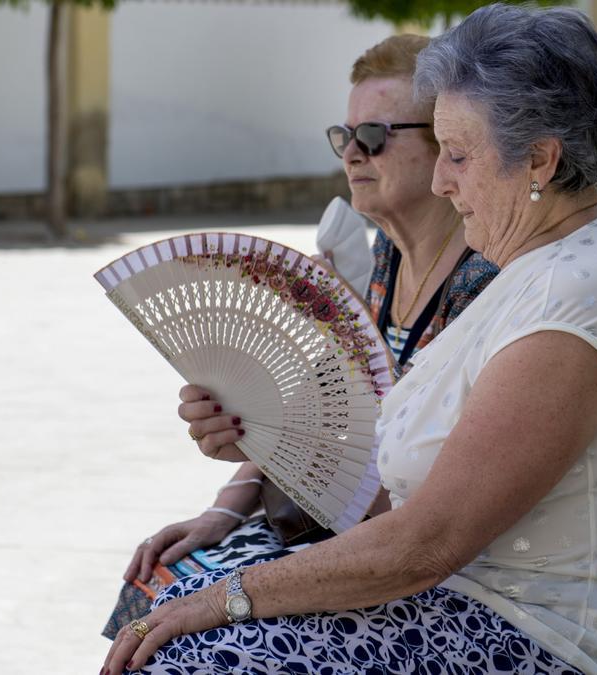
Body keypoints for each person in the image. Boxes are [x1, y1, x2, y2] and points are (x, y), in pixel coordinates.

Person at [104, 5, 597, 673]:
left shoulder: (576, 297)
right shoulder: (547, 264)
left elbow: (428, 539)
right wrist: (253, 459)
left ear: (539, 160)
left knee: (188, 650)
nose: (442, 181)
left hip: (554, 641)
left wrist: (234, 595)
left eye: (458, 154)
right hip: (484, 605)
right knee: (172, 612)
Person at [103, 33, 499, 639]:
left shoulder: (483, 280)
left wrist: (294, 463)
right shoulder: (379, 264)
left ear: (445, 140)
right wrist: (224, 504)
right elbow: (317, 414)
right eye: (344, 137)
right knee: (158, 576)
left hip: (413, 555)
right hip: (335, 521)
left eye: (374, 135)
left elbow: (435, 510)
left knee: (189, 622)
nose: (353, 155)